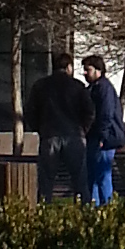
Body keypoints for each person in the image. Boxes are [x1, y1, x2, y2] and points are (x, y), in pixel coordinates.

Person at [25, 53, 91, 200]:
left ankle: (44, 212)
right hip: (74, 136)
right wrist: (83, 129)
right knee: (80, 180)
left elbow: (30, 112)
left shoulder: (40, 86)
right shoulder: (78, 86)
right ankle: (85, 212)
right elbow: (89, 111)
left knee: (46, 181)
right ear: (69, 67)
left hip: (49, 135)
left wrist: (40, 128)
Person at [81, 52, 125, 200]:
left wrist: (102, 135)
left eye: (88, 70)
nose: (85, 73)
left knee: (101, 176)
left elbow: (106, 114)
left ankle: (105, 207)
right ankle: (97, 208)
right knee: (95, 176)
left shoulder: (103, 88)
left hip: (103, 138)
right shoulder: (97, 87)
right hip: (100, 136)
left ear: (97, 70)